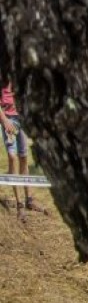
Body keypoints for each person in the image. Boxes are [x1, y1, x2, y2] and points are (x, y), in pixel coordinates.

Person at [2, 82, 33, 212]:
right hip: (9, 119)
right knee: (12, 157)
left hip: (21, 117)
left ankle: (29, 200)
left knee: (24, 156)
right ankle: (19, 203)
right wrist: (4, 121)